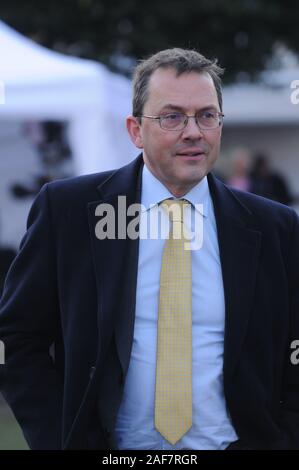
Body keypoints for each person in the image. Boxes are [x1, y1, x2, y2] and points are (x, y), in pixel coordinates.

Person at [0, 48, 299, 451]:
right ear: (135, 130)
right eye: (172, 117)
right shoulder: (68, 212)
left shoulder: (274, 227)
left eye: (207, 115)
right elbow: (17, 337)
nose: (193, 131)